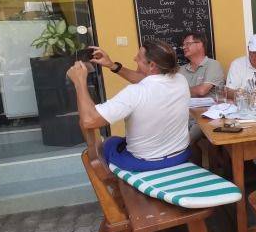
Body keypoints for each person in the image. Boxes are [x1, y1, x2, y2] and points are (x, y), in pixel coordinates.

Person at [68, 40, 190, 171]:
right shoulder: (180, 80)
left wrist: (79, 82)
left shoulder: (134, 92)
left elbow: (89, 121)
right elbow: (149, 81)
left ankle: (112, 180)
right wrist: (112, 65)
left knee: (110, 143)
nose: (134, 58)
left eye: (139, 57)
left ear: (152, 65)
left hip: (146, 163)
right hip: (181, 155)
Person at [178, 32, 225, 142]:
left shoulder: (213, 65)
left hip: (205, 117)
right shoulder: (181, 70)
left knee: (183, 143)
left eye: (187, 44)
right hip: (183, 116)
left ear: (200, 44)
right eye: (183, 45)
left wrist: (180, 91)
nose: (184, 47)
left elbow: (202, 90)